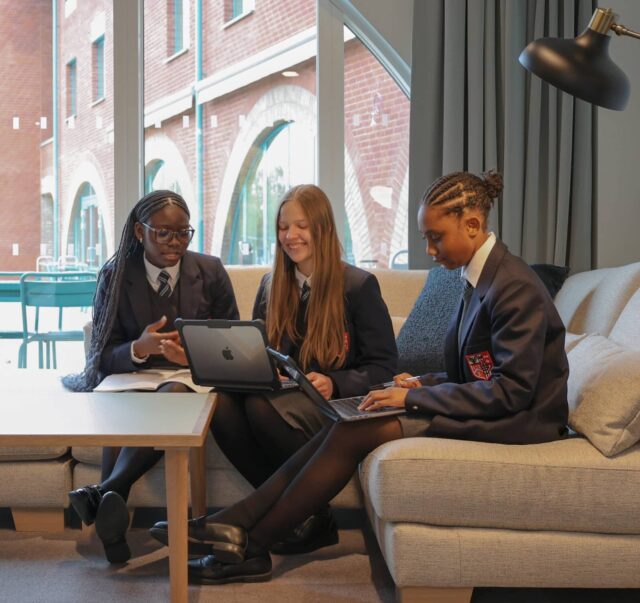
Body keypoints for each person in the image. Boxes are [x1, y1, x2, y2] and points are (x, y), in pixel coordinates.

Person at [151, 170, 569, 585]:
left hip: (521, 422)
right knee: (348, 421)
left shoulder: (512, 287)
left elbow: (511, 391)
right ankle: (241, 531)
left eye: (436, 237)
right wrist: (423, 382)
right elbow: (473, 372)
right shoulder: (481, 279)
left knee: (353, 428)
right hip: (495, 405)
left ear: (473, 225)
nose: (429, 249)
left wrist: (409, 399)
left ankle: (246, 538)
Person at [156, 183, 398, 555]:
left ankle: (283, 517)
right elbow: (259, 351)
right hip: (282, 396)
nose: (290, 236)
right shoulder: (272, 285)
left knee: (258, 407)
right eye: (284, 227)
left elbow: (384, 367)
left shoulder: (359, 286)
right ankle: (305, 517)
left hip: (333, 407)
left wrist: (334, 381)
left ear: (323, 229)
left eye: (301, 226)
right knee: (219, 403)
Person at [63, 189, 239, 563]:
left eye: (183, 233)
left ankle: (107, 492)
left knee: (172, 394)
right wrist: (138, 349)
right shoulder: (115, 275)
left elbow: (234, 346)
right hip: (133, 380)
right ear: (140, 232)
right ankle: (110, 509)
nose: (175, 242)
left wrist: (189, 354)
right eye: (163, 233)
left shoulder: (210, 272)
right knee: (121, 412)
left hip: (189, 379)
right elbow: (102, 355)